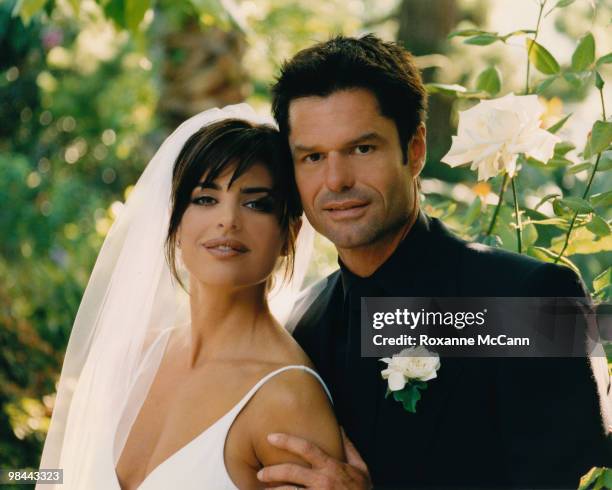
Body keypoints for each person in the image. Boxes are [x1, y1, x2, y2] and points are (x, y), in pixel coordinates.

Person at [255, 34, 612, 489]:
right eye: (313, 157)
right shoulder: (304, 321)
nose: (336, 180)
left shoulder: (531, 299)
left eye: (362, 149)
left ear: (416, 149)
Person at [37, 105, 344, 489]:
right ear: (175, 223)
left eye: (256, 203)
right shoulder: (135, 360)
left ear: (290, 235)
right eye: (204, 199)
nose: (228, 220)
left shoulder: (286, 399)